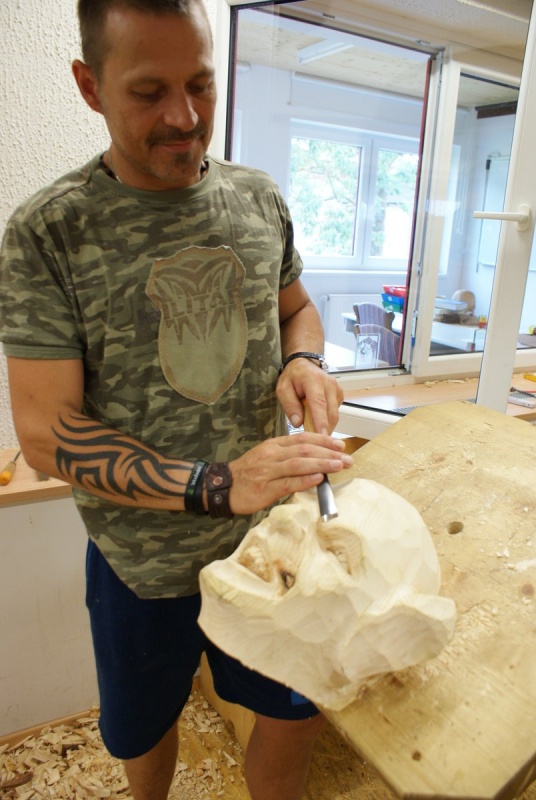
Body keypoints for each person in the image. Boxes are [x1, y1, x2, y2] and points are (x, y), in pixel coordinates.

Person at [0, 1, 353, 798]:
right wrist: (218, 483)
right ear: (90, 86)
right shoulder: (49, 232)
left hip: (273, 548)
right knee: (146, 728)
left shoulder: (258, 199)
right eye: (149, 90)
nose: (185, 117)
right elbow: (47, 432)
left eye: (200, 84)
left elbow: (296, 308)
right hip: (140, 565)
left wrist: (303, 360)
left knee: (292, 720)